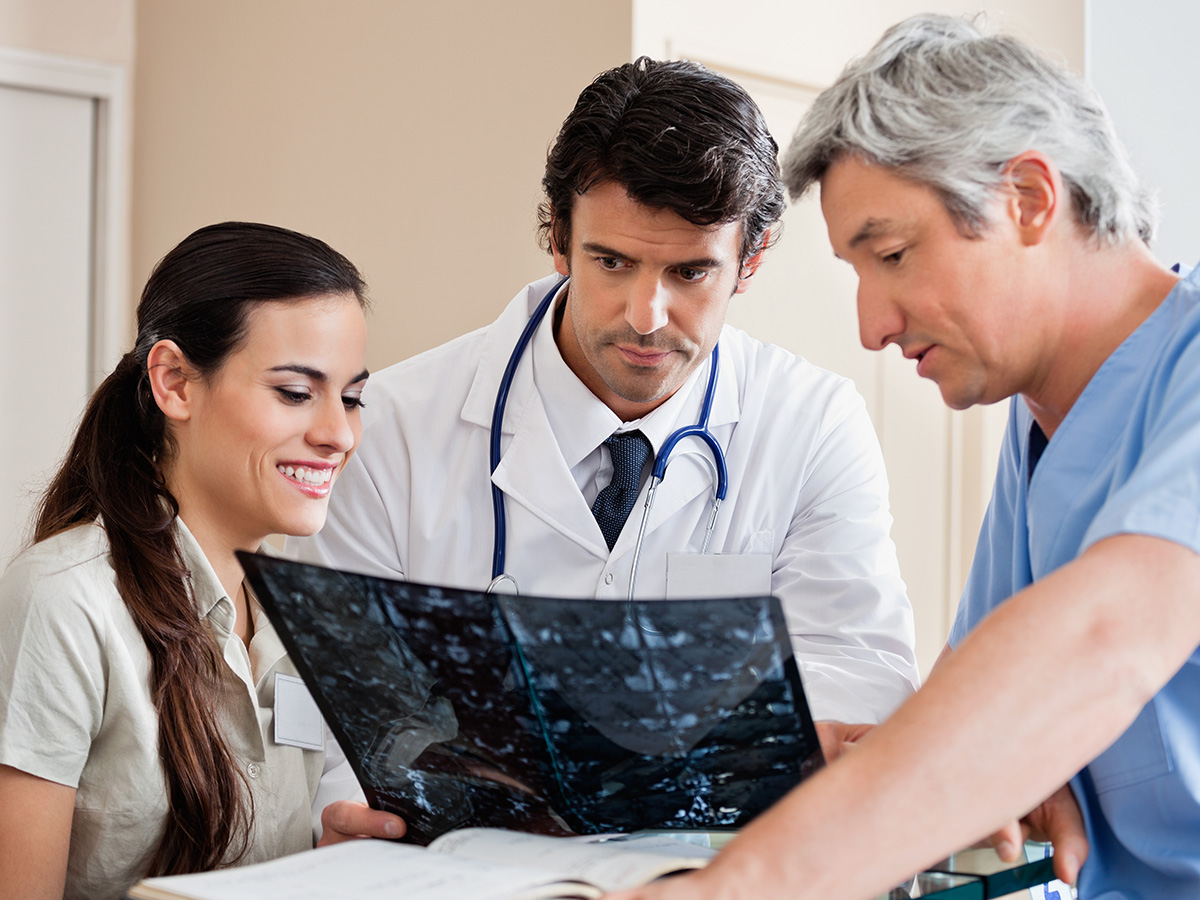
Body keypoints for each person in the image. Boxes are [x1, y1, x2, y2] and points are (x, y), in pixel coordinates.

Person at [605, 13, 1200, 900]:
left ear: (1030, 199)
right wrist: (981, 754)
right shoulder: (1046, 426)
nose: (871, 326)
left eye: (892, 254)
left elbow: (1102, 638)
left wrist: (722, 892)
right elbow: (987, 702)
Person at [290, 57, 919, 727]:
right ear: (558, 239)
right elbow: (340, 699)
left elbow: (862, 680)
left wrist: (684, 749)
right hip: (451, 833)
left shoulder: (814, 423)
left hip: (714, 833)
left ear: (750, 262)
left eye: (690, 271)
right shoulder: (391, 426)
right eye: (612, 262)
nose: (645, 315)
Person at [0, 222, 404, 900]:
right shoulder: (64, 600)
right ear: (175, 383)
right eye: (296, 392)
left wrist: (314, 862)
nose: (339, 433)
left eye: (352, 397)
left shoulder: (298, 614)